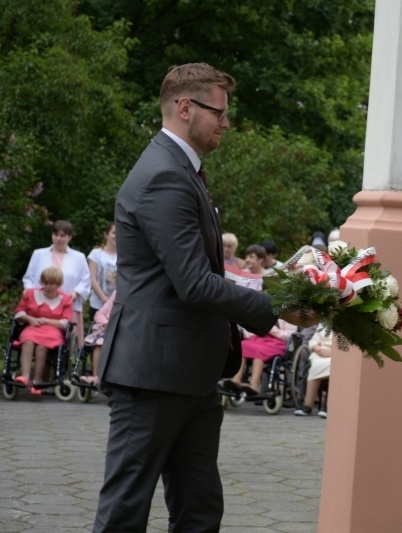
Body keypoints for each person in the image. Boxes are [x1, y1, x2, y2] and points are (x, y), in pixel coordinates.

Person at [92, 62, 316, 532]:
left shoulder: (182, 170)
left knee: (199, 511)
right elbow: (193, 281)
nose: (226, 122)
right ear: (185, 107)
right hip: (152, 372)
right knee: (124, 512)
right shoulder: (163, 175)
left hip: (188, 371)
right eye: (221, 112)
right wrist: (275, 306)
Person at [22, 220, 91, 346]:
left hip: (67, 304)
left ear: (69, 237)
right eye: (56, 235)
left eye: (63, 235)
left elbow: (85, 280)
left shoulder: (79, 257)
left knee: (65, 339)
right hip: (41, 305)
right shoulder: (38, 254)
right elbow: (29, 277)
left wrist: (76, 292)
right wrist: (29, 291)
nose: (58, 239)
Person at [13, 267, 74, 394]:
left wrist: (46, 320)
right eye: (45, 283)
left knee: (42, 347)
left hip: (53, 330)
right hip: (33, 326)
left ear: (59, 284)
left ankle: (38, 380)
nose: (48, 286)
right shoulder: (31, 294)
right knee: (27, 341)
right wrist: (30, 318)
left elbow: (65, 322)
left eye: (52, 283)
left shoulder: (66, 299)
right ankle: (25, 376)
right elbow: (19, 313)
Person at [222, 319, 297, 396]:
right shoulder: (263, 309)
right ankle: (236, 380)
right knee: (242, 345)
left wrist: (271, 329)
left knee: (259, 350)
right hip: (257, 339)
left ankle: (254, 384)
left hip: (277, 343)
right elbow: (247, 332)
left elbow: (289, 336)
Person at [294, 324, 332, 418]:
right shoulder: (324, 322)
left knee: (332, 366)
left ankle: (328, 407)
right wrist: (317, 349)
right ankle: (308, 405)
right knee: (314, 365)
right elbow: (313, 340)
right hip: (319, 353)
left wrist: (333, 352)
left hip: (336, 355)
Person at [79, 290, 116, 388]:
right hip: (106, 330)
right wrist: (106, 323)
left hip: (120, 331)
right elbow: (98, 314)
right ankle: (96, 377)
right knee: (99, 343)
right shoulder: (116, 294)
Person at [87, 222, 117, 323]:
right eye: (114, 233)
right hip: (98, 304)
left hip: (117, 305)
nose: (117, 236)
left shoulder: (124, 256)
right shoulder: (96, 254)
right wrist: (105, 300)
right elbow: (93, 280)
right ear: (106, 234)